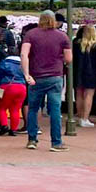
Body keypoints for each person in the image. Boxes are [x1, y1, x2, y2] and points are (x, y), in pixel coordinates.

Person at [21, 10, 72, 152]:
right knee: (55, 110)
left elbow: (24, 54)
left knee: (33, 108)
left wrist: (26, 74)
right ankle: (56, 142)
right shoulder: (62, 36)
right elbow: (69, 59)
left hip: (36, 76)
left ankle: (32, 139)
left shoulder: (31, 34)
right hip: (55, 76)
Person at [73, 24, 96, 127]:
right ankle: (85, 118)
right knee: (88, 95)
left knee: (79, 94)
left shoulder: (76, 44)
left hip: (78, 72)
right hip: (91, 73)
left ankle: (80, 117)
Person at [0, 45, 27, 135]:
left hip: (7, 86)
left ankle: (4, 125)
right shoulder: (24, 63)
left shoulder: (4, 63)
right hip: (21, 87)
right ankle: (13, 129)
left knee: (1, 107)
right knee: (15, 109)